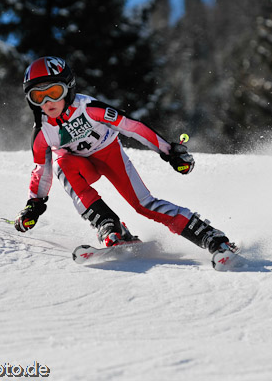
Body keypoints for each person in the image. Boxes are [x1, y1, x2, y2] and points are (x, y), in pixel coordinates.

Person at [14, 56, 235, 259]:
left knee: (143, 204)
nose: (47, 102)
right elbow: (41, 170)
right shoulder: (41, 132)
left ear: (69, 88)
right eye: (38, 96)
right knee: (61, 164)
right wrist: (34, 204)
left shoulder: (89, 108)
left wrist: (169, 152)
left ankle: (208, 236)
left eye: (53, 92)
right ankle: (109, 225)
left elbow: (133, 127)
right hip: (80, 165)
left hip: (109, 155)